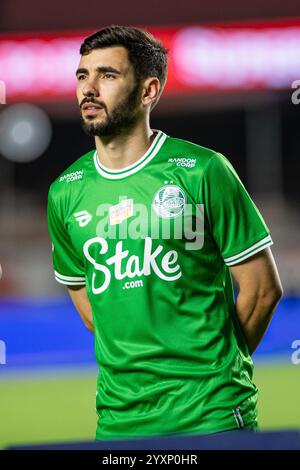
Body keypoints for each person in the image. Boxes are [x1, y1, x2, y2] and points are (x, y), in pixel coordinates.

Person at [47, 25, 283, 441]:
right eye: (83, 75)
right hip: (119, 424)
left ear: (148, 90)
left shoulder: (205, 170)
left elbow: (262, 290)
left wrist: (218, 371)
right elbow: (88, 302)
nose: (89, 88)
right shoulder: (65, 192)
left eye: (108, 75)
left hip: (212, 417)